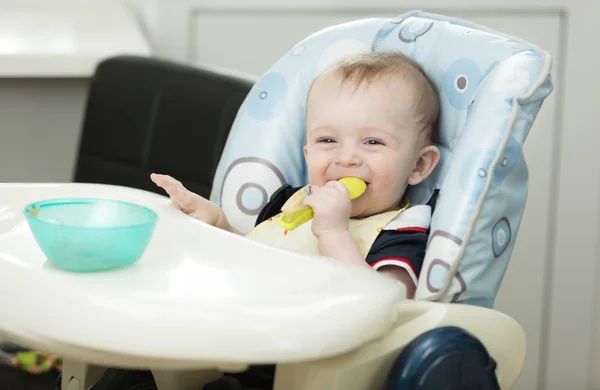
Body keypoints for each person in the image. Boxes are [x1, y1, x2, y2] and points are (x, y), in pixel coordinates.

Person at [57, 50, 441, 390]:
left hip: (279, 371)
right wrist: (218, 223)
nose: (346, 159)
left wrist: (334, 231)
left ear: (419, 165)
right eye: (328, 141)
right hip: (217, 336)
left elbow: (385, 311)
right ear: (307, 151)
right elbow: (259, 253)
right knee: (124, 363)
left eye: (372, 142)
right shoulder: (292, 202)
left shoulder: (400, 231)